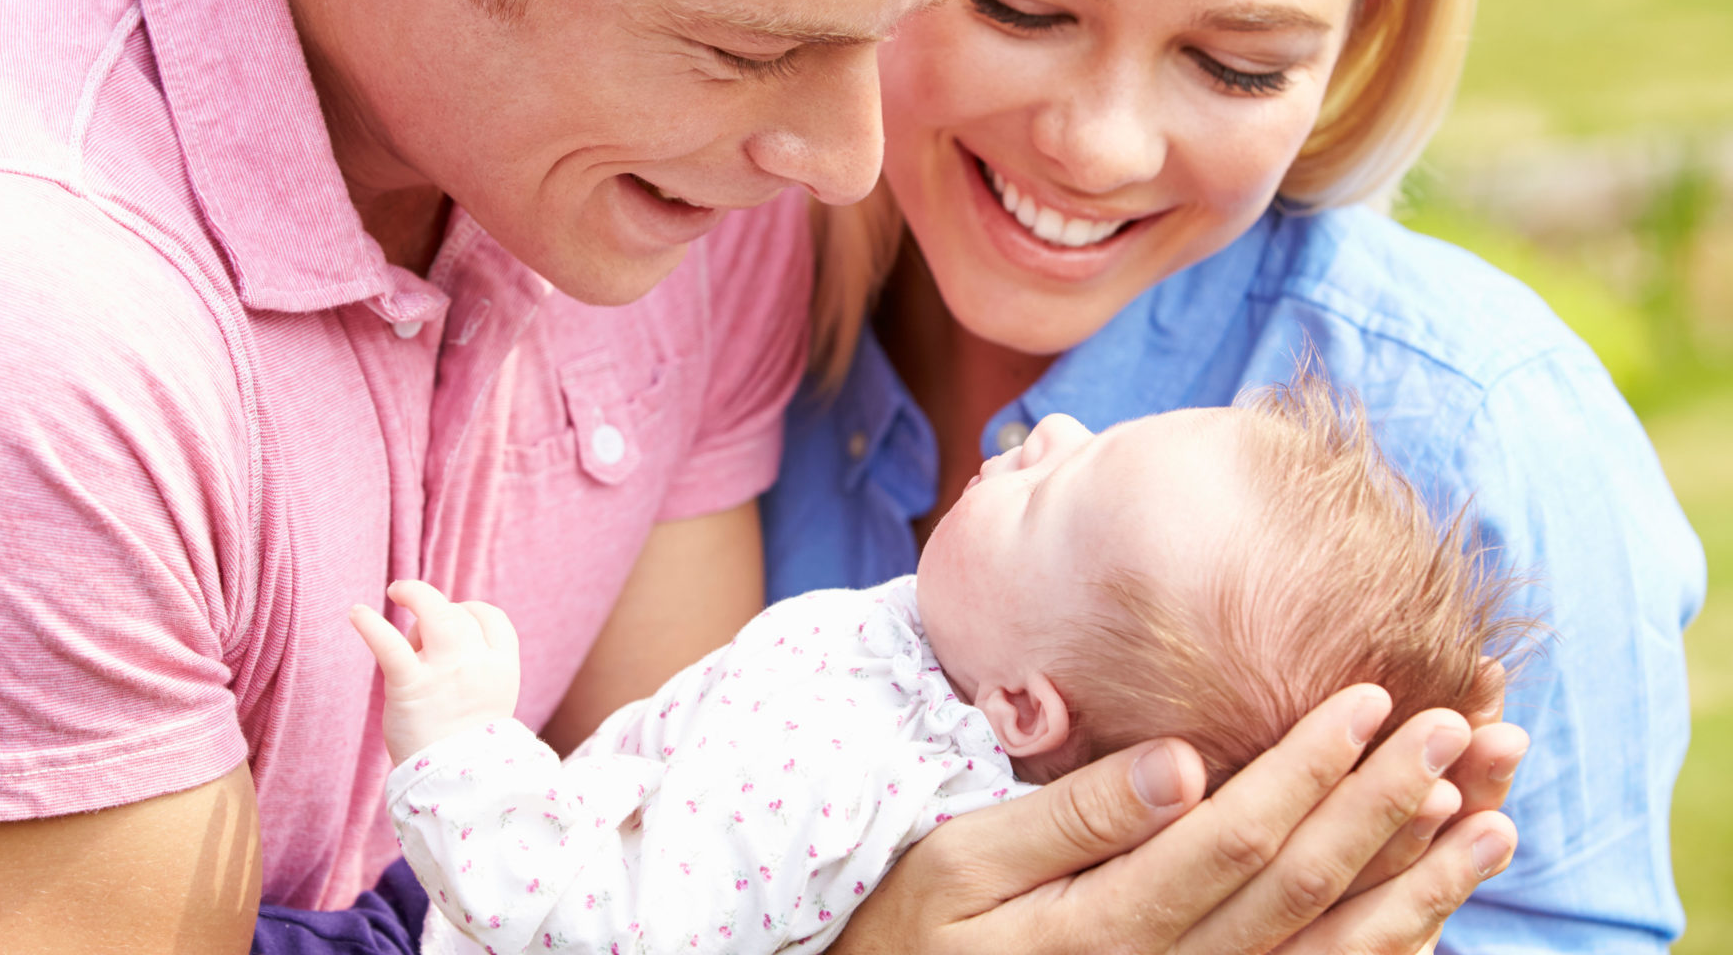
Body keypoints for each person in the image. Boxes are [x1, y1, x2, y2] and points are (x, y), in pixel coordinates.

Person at [0, 0, 1069, 949]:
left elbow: (673, 861)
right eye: (748, 48)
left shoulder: (680, 174)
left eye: (902, 16)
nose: (847, 161)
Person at [764, 0, 1709, 950]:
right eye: (1016, 3)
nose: (1097, 147)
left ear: (1359, 33)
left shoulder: (1478, 427)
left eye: (1236, 65)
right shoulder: (709, 299)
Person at [358, 382, 1531, 955]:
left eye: (1058, 486)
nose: (1052, 429)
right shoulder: (948, 660)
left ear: (1023, 707)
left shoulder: (850, 770)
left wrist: (465, 744)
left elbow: (597, 929)